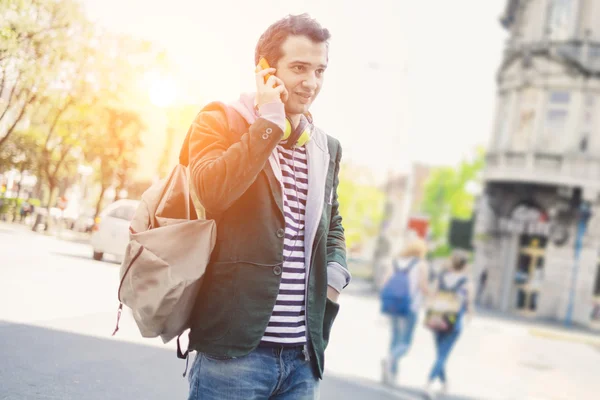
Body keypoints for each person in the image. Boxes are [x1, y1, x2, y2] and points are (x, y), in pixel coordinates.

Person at [184, 13, 351, 400]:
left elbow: (334, 223)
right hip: (235, 356)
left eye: (320, 70)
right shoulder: (220, 121)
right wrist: (269, 122)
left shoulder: (327, 147)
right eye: (299, 68)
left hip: (302, 360)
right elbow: (209, 193)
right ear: (265, 70)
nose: (311, 83)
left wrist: (336, 275)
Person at [425, 249, 474, 399]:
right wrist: (469, 317)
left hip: (438, 318)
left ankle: (444, 383)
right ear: (465, 265)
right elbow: (469, 304)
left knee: (440, 354)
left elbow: (432, 296)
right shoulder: (466, 282)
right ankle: (429, 383)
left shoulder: (441, 277)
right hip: (454, 322)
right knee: (442, 355)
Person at [380, 238, 430, 386]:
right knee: (406, 342)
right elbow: (422, 286)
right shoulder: (421, 265)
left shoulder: (395, 262)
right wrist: (430, 296)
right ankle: (391, 360)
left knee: (395, 338)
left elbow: (385, 282)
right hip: (410, 306)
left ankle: (391, 374)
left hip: (393, 304)